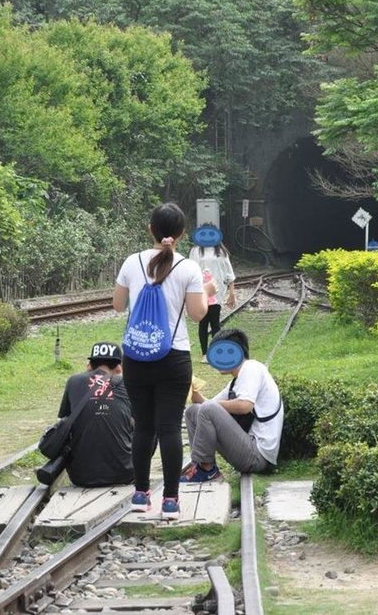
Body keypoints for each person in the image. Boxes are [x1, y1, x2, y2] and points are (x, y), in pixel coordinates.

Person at [113, 202, 210, 519]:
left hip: (136, 356)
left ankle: (140, 495)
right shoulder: (188, 268)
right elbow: (197, 315)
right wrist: (206, 291)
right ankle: (170, 500)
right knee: (169, 429)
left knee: (142, 427)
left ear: (150, 230)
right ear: (181, 234)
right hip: (174, 357)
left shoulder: (132, 262)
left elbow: (117, 305)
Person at [180, 327, 283, 483]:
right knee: (193, 411)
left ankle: (207, 470)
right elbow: (209, 406)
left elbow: (245, 406)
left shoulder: (252, 368)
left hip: (258, 455)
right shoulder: (237, 380)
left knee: (207, 409)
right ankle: (201, 466)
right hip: (247, 447)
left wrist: (211, 406)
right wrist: (194, 393)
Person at [55, 341, 134, 488]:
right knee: (148, 425)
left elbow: (63, 419)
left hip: (80, 476)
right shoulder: (128, 382)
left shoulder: (74, 381)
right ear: (119, 368)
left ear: (89, 366)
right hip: (124, 473)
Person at [188, 231, 236, 363]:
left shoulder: (221, 251)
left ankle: (215, 352)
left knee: (215, 323)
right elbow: (189, 270)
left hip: (216, 292)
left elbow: (229, 273)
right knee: (203, 323)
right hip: (200, 291)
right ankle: (204, 353)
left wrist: (232, 293)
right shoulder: (195, 251)